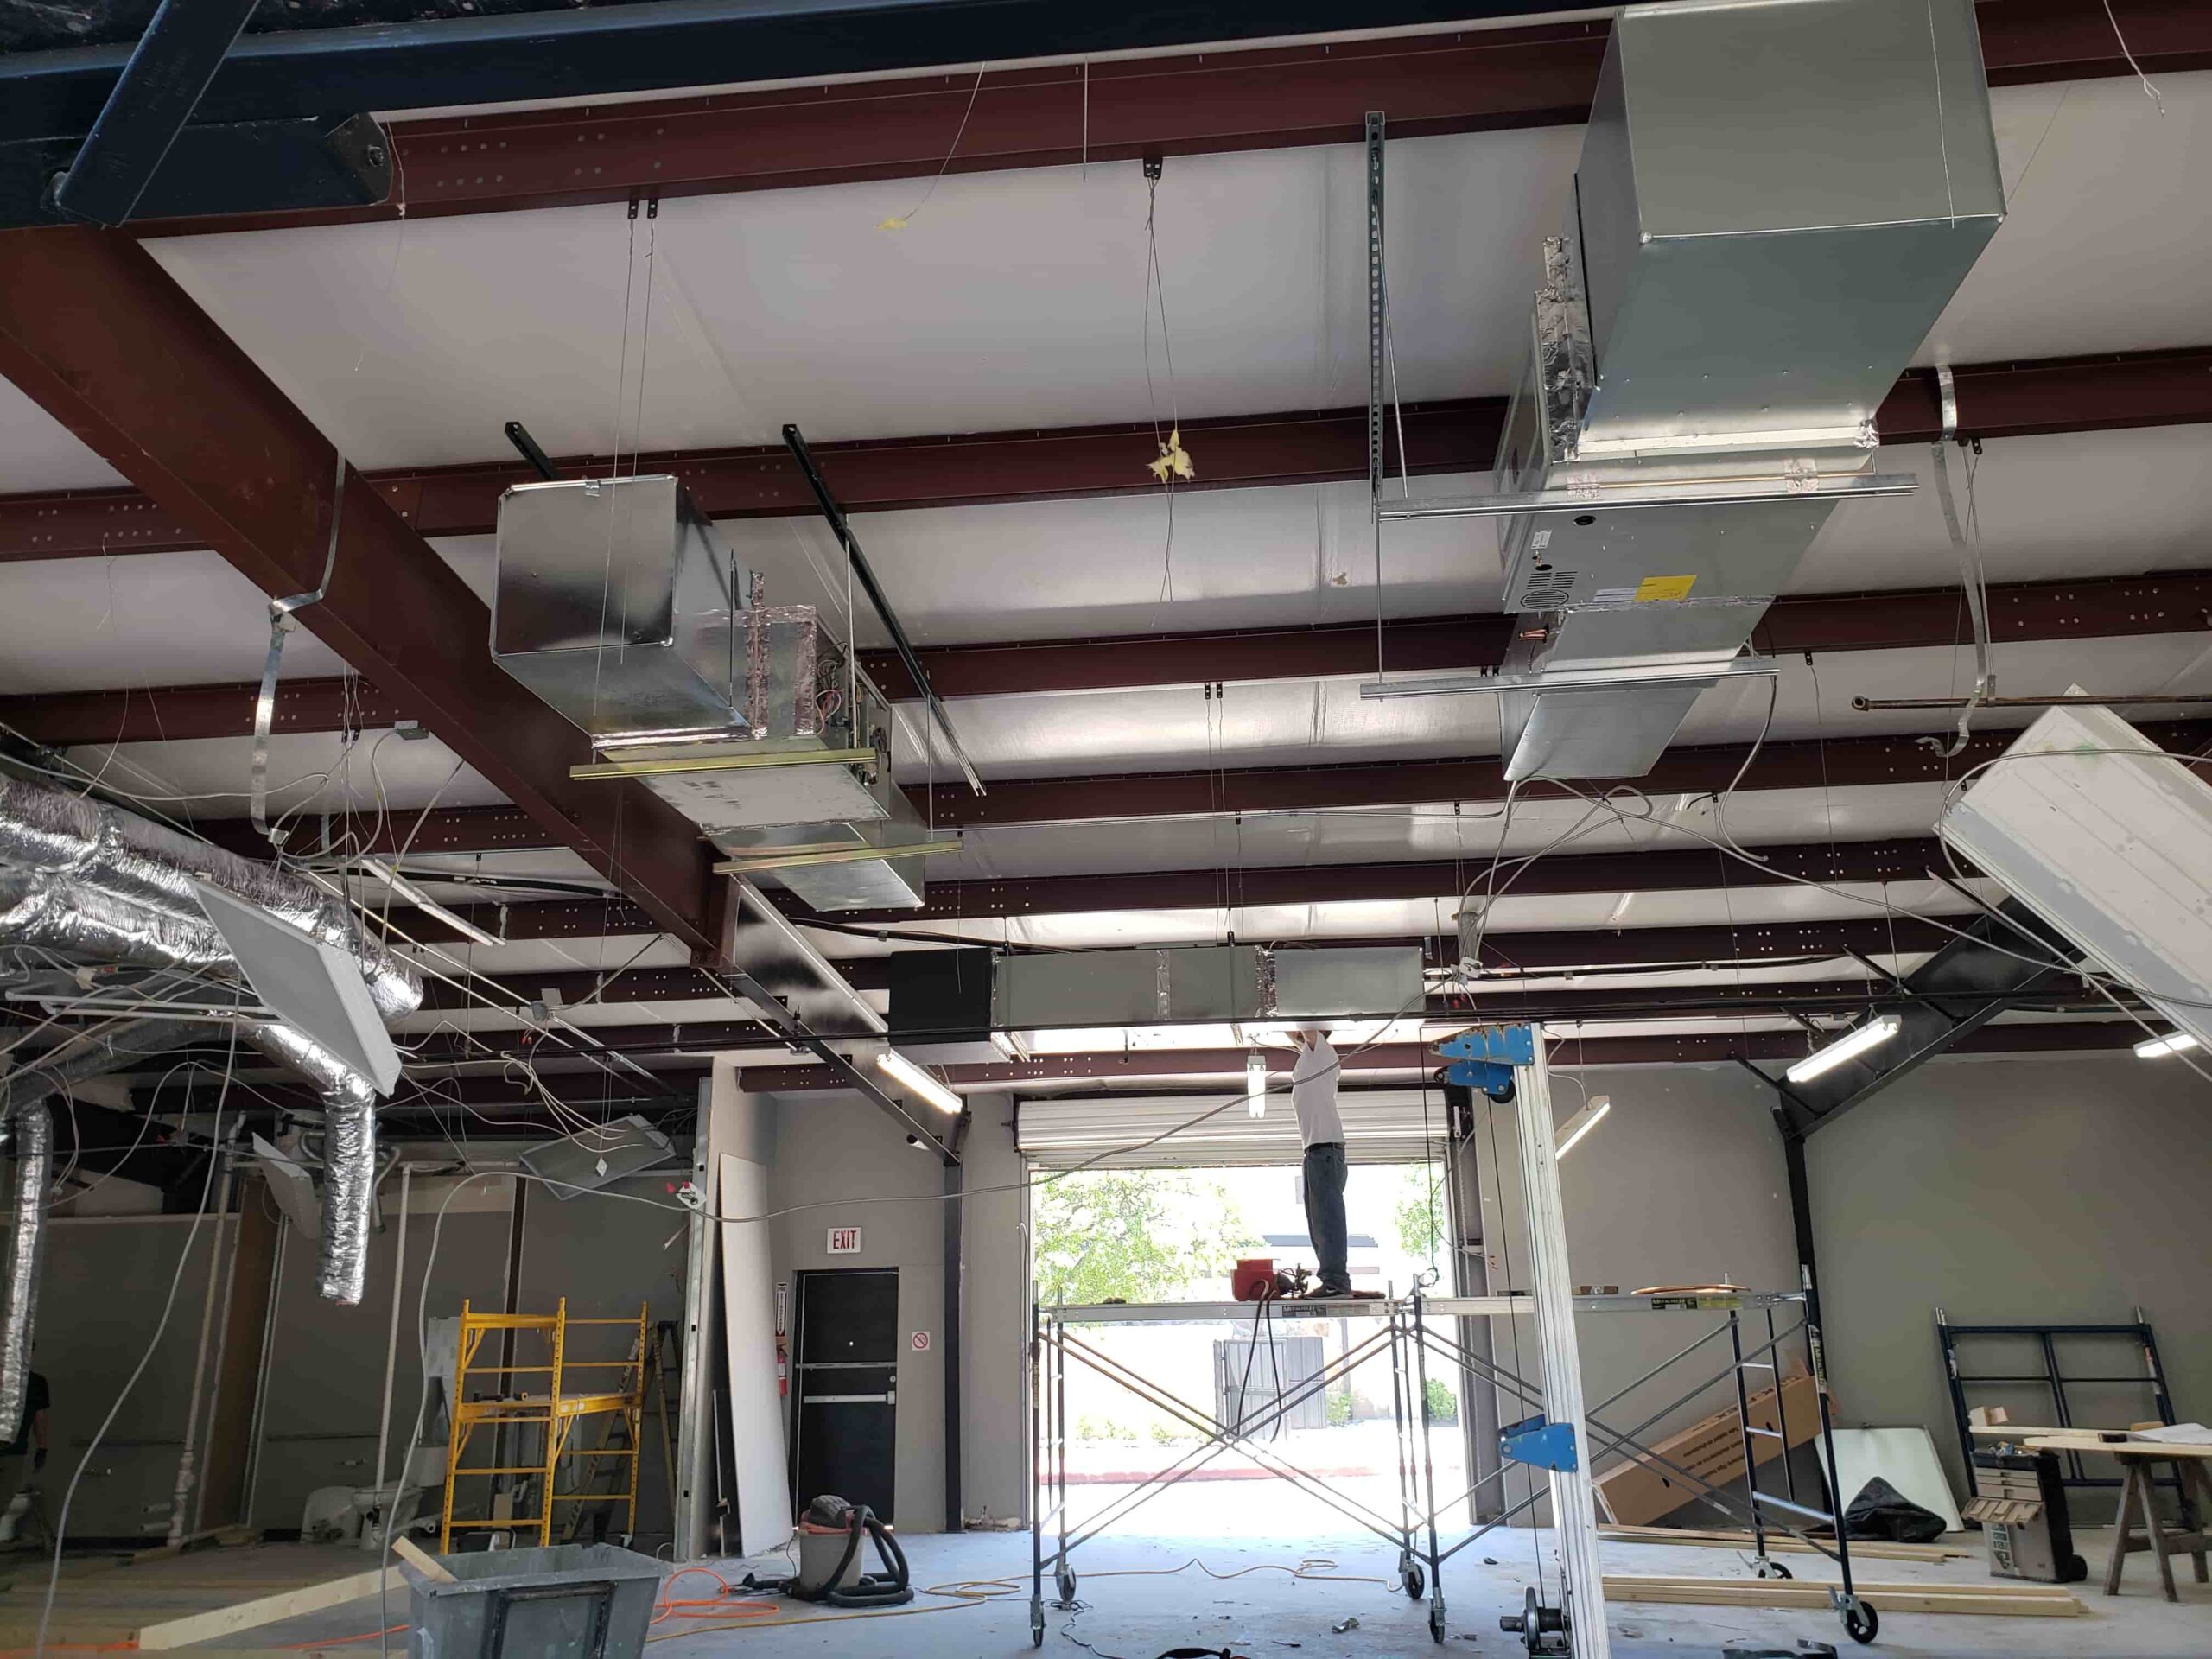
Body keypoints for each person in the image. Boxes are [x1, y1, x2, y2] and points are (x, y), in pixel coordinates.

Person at [1292, 1028, 1352, 1299]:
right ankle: (1332, 1279)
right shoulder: (1309, 1057)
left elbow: (1306, 1029)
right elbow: (1298, 1037)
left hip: (1325, 1149)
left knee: (1327, 1219)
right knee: (1318, 1221)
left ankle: (1336, 1281)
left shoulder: (1323, 1053)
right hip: (1317, 1150)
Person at [0, 1369, 49, 1534]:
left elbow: (39, 1417)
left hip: (15, 1451)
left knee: (4, 1499)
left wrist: (42, 1447)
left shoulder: (35, 1382)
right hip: (14, 1451)